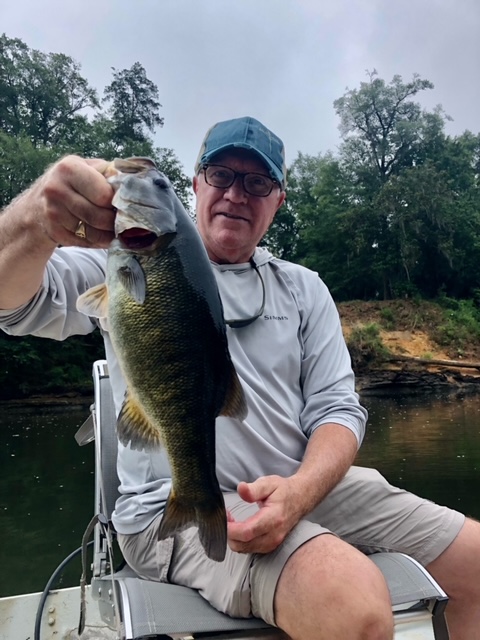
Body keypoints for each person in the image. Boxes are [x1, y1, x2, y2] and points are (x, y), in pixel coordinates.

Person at [0, 116, 479, 640]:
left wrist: (299, 493)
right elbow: (15, 306)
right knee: (351, 603)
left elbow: (338, 412)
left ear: (279, 200)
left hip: (303, 485)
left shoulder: (304, 289)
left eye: (257, 183)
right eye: (222, 175)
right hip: (170, 504)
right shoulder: (118, 261)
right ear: (196, 185)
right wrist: (33, 220)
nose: (236, 194)